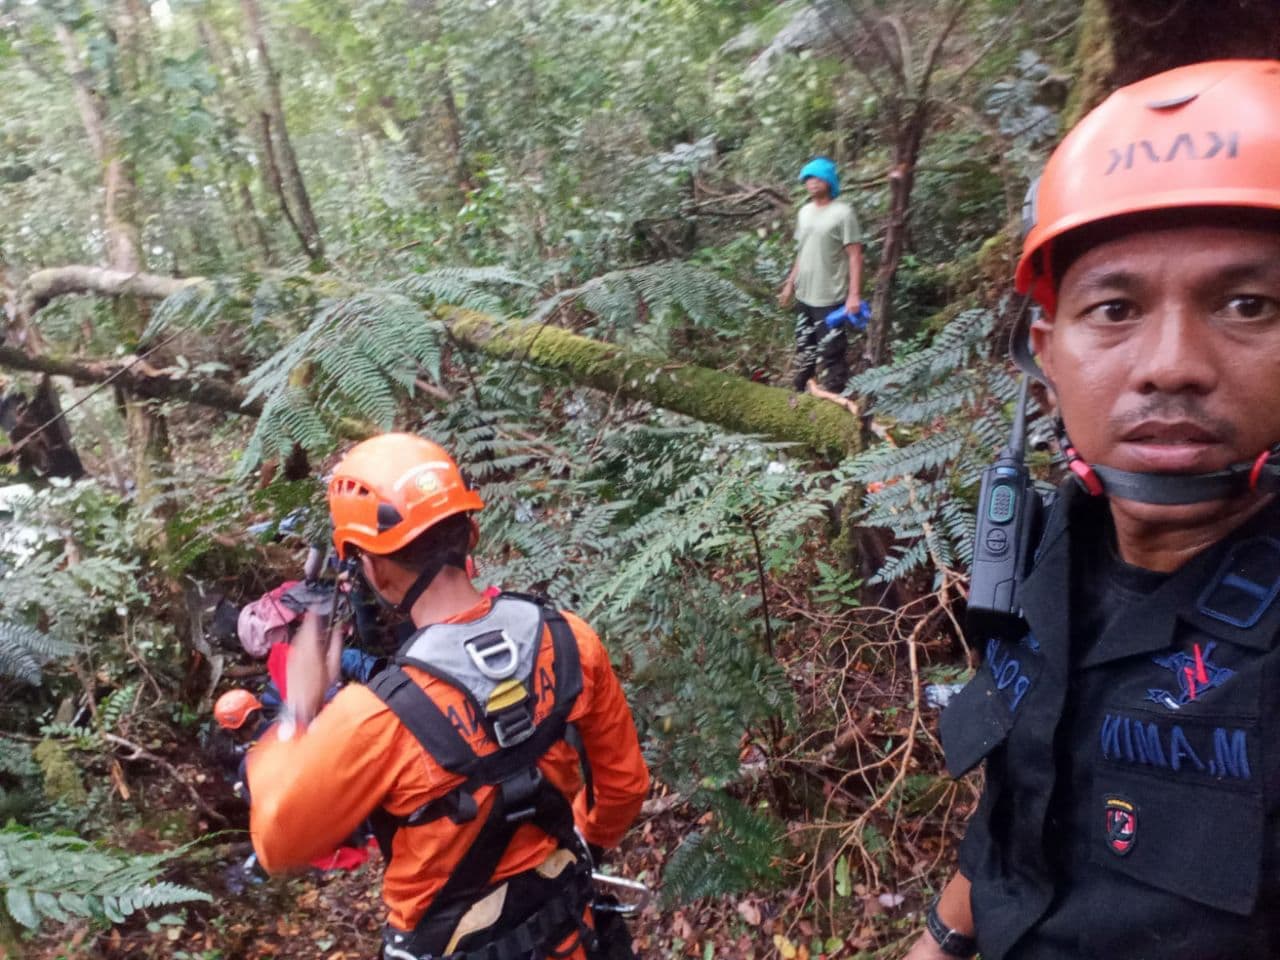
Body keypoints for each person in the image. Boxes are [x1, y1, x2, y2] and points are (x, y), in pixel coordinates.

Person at [906, 59, 1280, 960]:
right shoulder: (1040, 554)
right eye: (1114, 308)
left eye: (1246, 304)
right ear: (1048, 353)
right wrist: (939, 941)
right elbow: (1019, 800)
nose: (1170, 364)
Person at [246, 433, 650, 960]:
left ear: (374, 567)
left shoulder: (376, 717)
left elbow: (277, 843)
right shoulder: (570, 640)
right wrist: (570, 844)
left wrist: (297, 711)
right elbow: (623, 788)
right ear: (473, 532)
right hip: (568, 933)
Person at [778, 156, 864, 393]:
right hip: (805, 294)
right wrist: (789, 284)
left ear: (829, 181)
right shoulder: (804, 212)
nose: (813, 183)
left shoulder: (843, 213)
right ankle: (799, 395)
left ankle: (836, 400)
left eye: (818, 178)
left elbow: (855, 255)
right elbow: (802, 251)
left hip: (830, 296)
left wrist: (853, 296)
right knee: (805, 347)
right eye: (808, 178)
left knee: (832, 352)